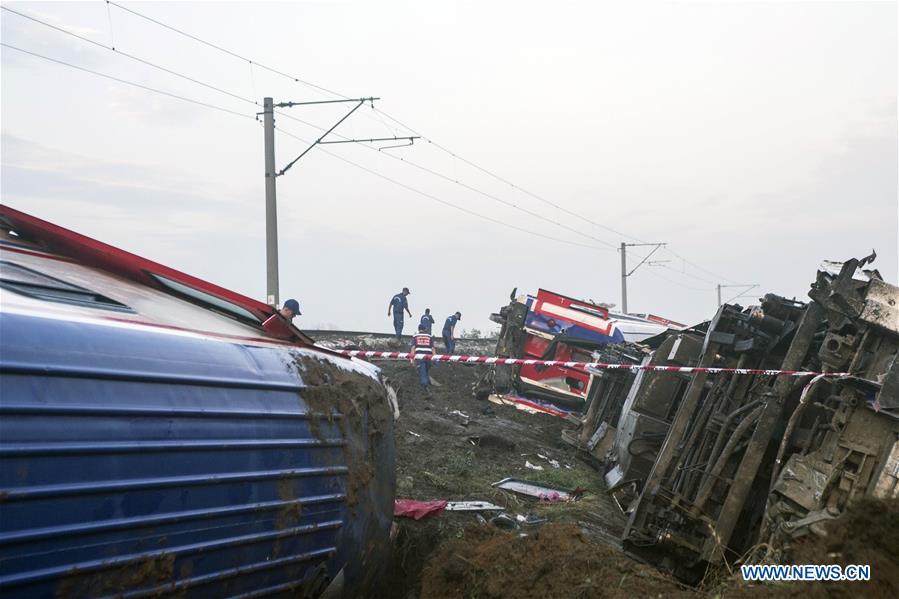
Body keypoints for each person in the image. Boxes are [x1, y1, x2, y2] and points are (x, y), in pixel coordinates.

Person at [411, 323, 435, 393]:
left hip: (419, 357)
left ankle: (425, 386)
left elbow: (413, 348)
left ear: (418, 329)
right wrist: (435, 358)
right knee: (426, 370)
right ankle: (426, 382)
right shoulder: (429, 336)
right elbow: (433, 348)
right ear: (425, 329)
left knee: (422, 371)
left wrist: (412, 359)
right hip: (428, 356)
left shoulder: (415, 336)